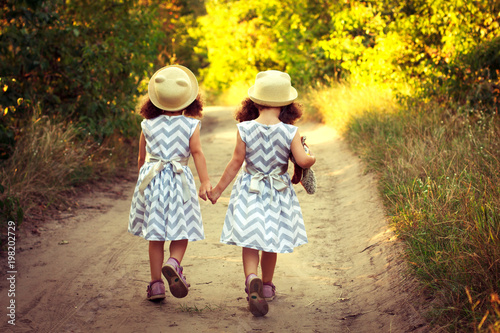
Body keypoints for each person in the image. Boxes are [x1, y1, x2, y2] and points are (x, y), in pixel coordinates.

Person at [208, 70, 316, 316]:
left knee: (250, 240)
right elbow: (303, 160)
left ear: (255, 102)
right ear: (287, 104)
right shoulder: (291, 132)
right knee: (271, 242)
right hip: (277, 192)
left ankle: (251, 279)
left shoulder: (244, 128)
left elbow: (235, 163)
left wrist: (216, 191)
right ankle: (266, 286)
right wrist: (312, 157)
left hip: (250, 190)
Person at [128, 65, 211, 301]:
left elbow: (142, 159)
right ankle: (174, 262)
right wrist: (204, 181)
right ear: (189, 101)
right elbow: (197, 153)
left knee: (155, 236)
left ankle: (156, 285)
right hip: (179, 183)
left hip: (153, 182)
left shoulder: (147, 124)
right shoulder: (190, 125)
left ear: (155, 100)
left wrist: (141, 184)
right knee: (181, 229)